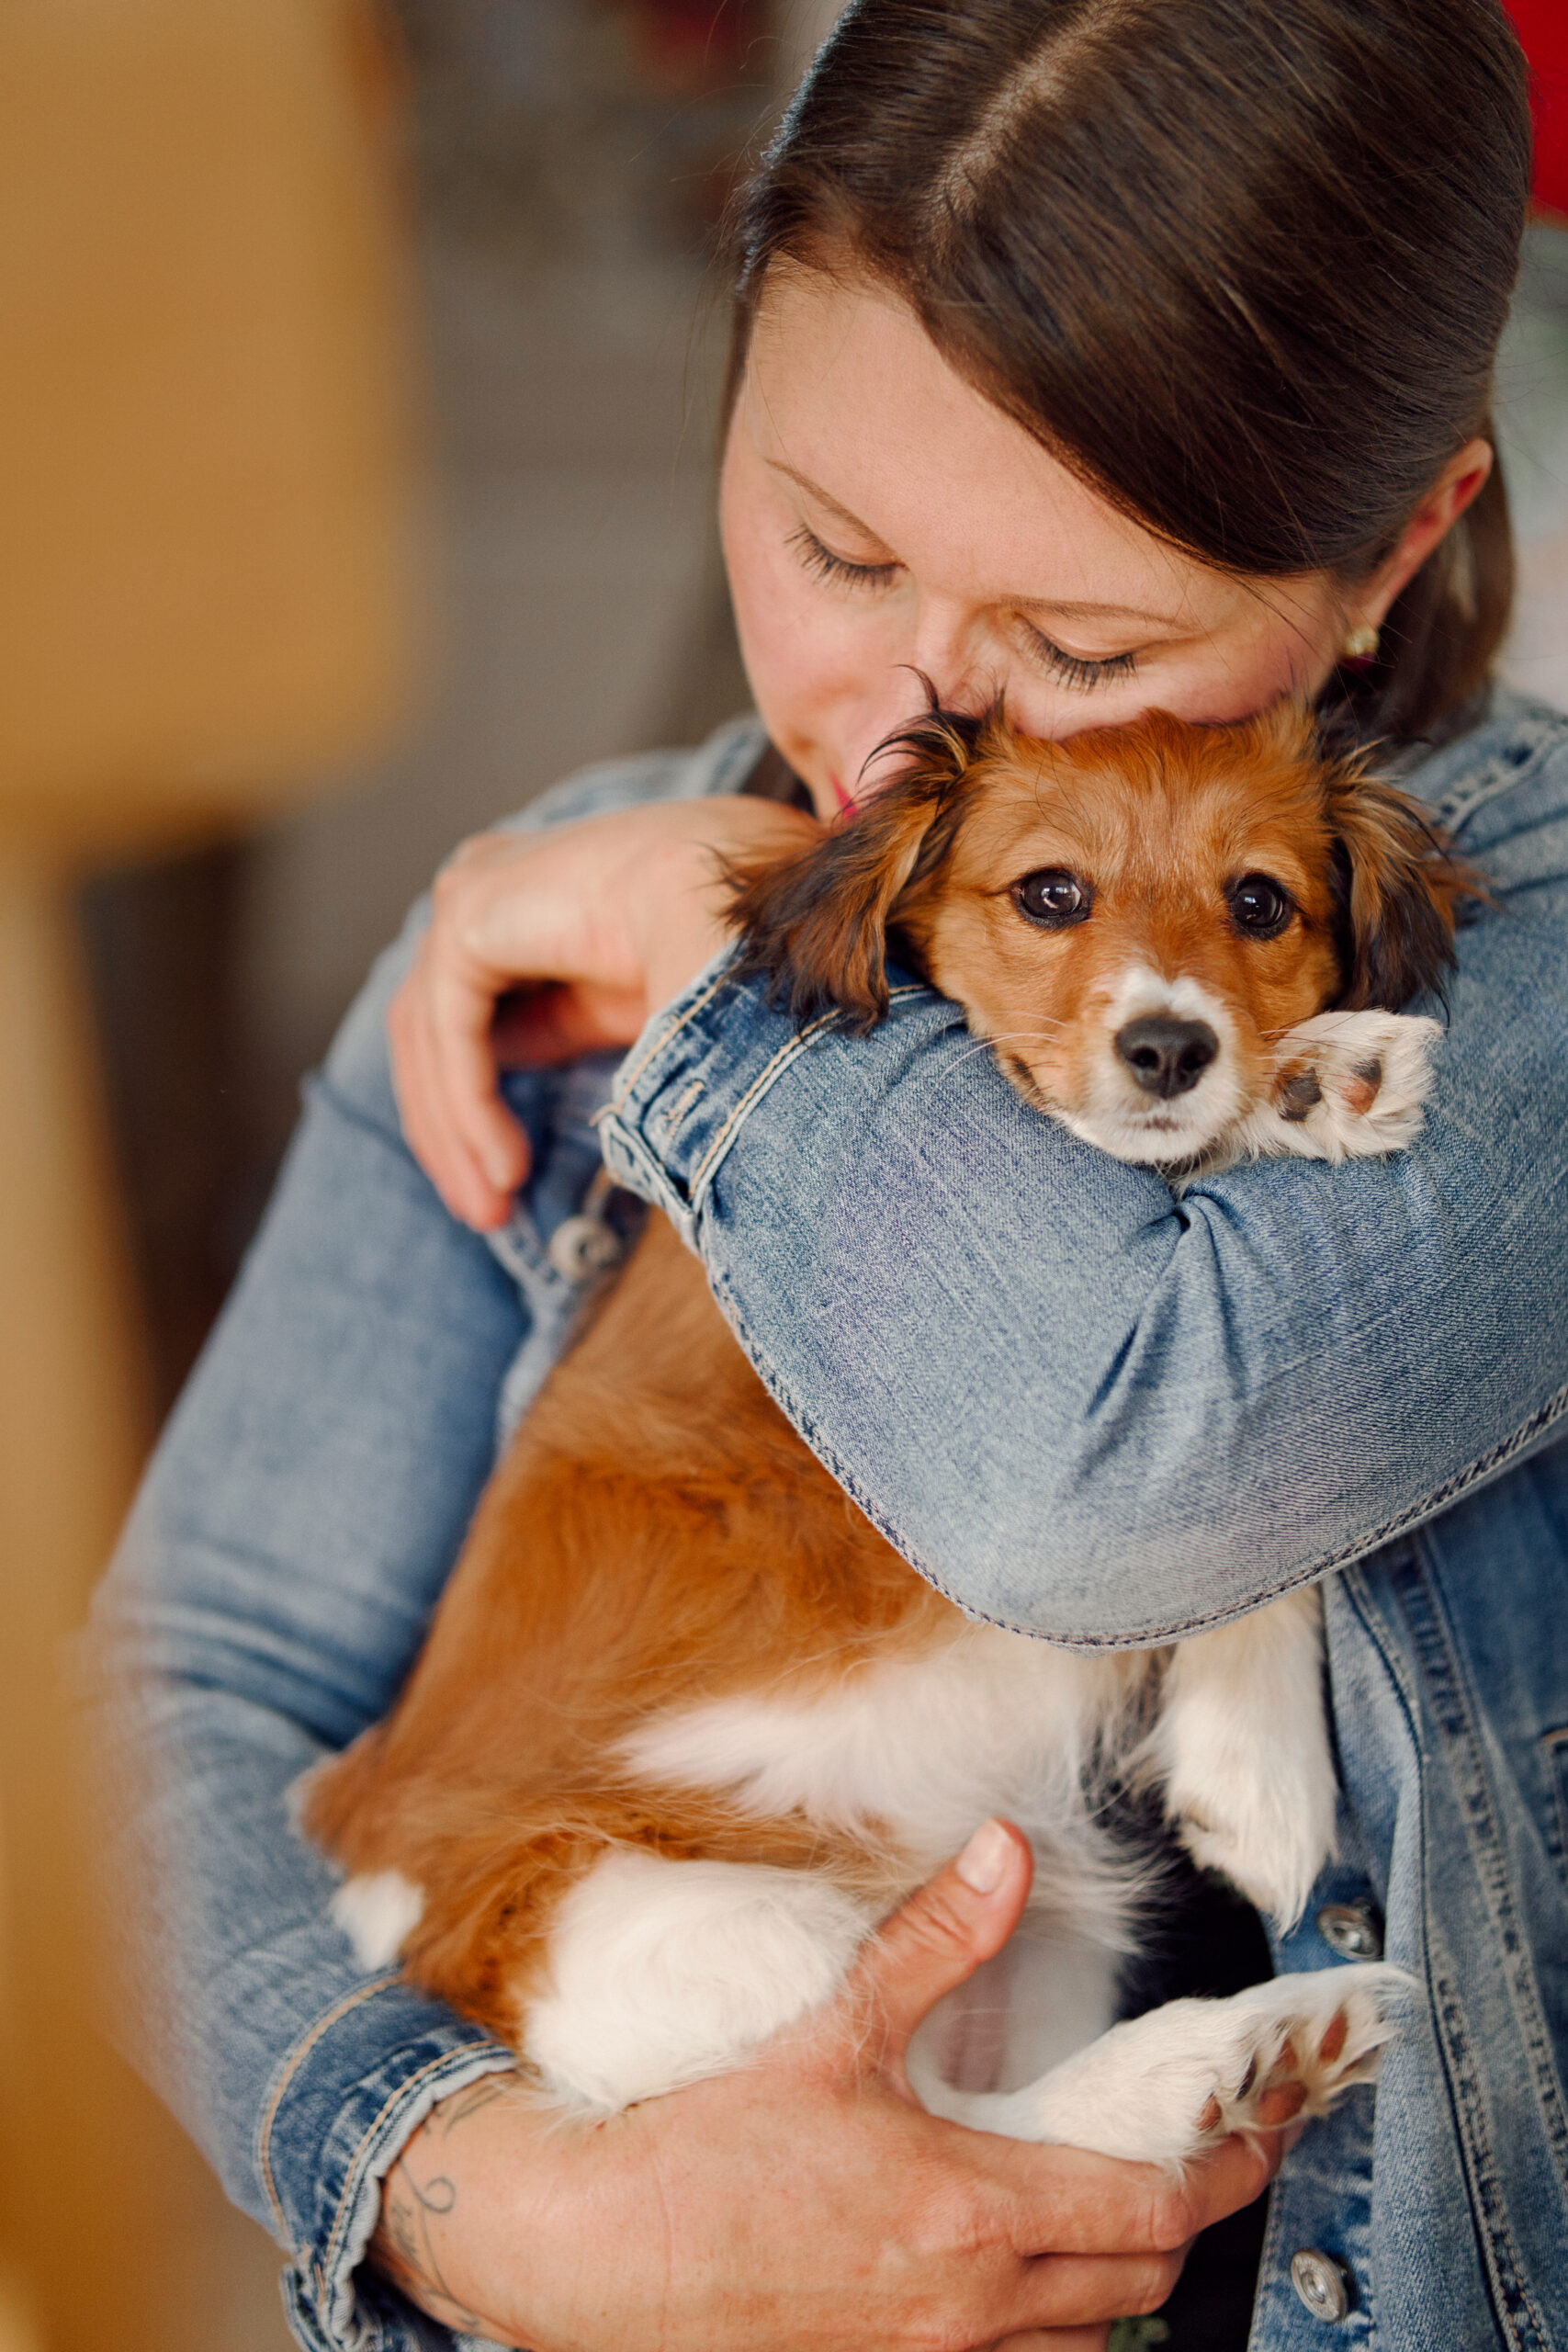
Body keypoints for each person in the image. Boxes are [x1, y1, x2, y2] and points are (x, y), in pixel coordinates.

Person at [93, 3, 1568, 2347]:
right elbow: (172, 1704)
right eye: (829, 540)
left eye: (1076, 643)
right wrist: (480, 2192)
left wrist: (701, 959)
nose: (896, 733)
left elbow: (1102, 1475)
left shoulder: (1526, 971)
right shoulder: (536, 913)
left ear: (1394, 544)